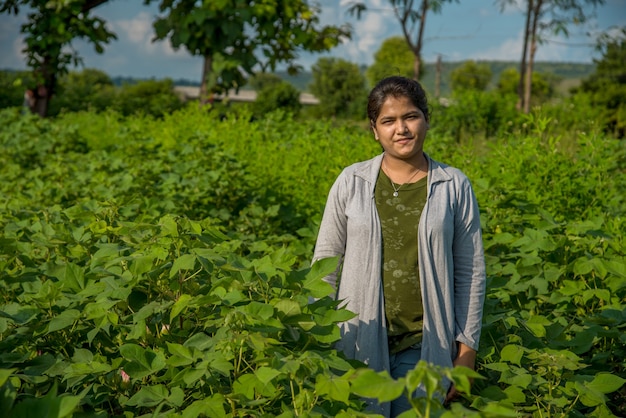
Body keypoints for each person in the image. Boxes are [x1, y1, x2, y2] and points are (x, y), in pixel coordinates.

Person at [312, 76, 486, 417]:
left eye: (410, 116)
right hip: (356, 340)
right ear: (375, 131)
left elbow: (471, 273)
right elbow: (325, 263)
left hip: (425, 345)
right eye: (388, 121)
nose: (401, 129)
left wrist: (466, 351)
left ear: (426, 119)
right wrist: (318, 339)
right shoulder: (353, 181)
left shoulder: (453, 185)